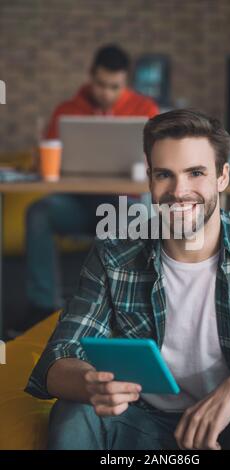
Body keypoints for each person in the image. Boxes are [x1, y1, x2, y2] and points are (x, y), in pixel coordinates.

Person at [25, 109, 230, 450]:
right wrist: (91, 384)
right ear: (150, 178)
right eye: (165, 174)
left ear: (222, 176)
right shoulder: (115, 256)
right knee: (74, 410)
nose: (179, 191)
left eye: (196, 172)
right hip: (140, 424)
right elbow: (58, 357)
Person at [22, 45, 159, 332]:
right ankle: (42, 306)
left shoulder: (145, 110)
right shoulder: (67, 110)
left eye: (114, 87)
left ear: (127, 83)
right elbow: (48, 161)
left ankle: (116, 313)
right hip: (78, 203)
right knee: (39, 212)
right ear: (90, 77)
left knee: (135, 217)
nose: (106, 93)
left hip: (123, 203)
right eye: (100, 84)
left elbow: (159, 161)